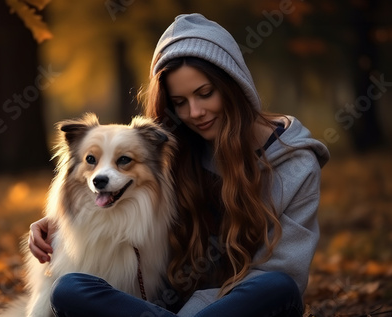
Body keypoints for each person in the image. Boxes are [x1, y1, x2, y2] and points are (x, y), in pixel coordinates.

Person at [28, 13, 330, 317]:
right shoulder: (175, 154)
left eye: (205, 93)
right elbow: (133, 209)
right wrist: (56, 223)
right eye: (180, 102)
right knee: (69, 288)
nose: (195, 112)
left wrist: (196, 311)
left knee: (279, 286)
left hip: (244, 305)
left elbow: (286, 269)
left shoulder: (298, 164)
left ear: (234, 85)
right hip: (166, 306)